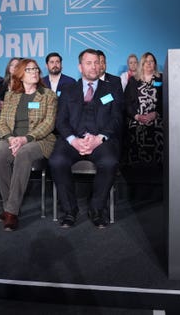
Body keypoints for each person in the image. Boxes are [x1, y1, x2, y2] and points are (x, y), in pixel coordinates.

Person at [48, 48, 123, 229]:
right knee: (57, 161)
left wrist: (100, 138)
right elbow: (61, 120)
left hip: (100, 140)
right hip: (73, 140)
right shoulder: (68, 89)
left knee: (110, 162)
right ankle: (69, 210)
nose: (94, 66)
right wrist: (73, 140)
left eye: (97, 62)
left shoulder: (111, 88)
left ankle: (97, 209)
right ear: (80, 67)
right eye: (89, 63)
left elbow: (117, 118)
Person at [0, 58, 57, 231]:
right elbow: (1, 122)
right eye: (29, 70)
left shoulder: (48, 95)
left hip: (38, 140)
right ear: (20, 74)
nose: (35, 72)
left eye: (36, 69)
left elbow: (48, 124)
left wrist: (25, 139)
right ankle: (9, 205)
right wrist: (11, 138)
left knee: (24, 153)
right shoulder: (11, 95)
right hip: (12, 138)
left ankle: (11, 212)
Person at [124, 52, 163, 166]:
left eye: (151, 61)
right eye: (146, 61)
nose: (149, 63)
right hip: (136, 117)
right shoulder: (134, 81)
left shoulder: (161, 79)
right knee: (134, 130)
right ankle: (135, 169)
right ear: (142, 64)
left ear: (155, 64)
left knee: (159, 128)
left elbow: (164, 100)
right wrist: (137, 116)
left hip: (156, 117)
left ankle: (158, 168)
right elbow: (127, 103)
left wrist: (155, 114)